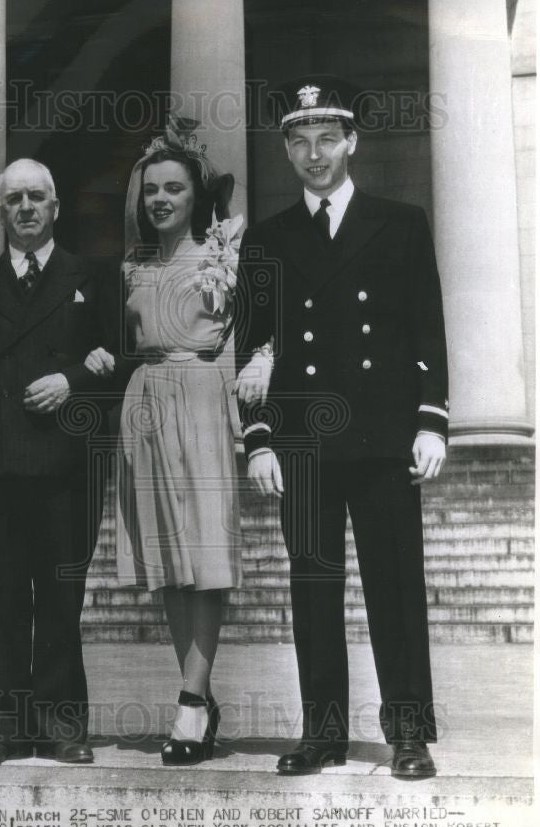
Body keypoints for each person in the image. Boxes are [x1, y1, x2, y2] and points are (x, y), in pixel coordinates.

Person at [235, 76, 448, 779]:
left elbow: (427, 329)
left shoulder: (400, 221)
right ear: (287, 150)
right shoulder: (267, 238)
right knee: (312, 585)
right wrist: (258, 436)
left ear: (351, 142)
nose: (314, 154)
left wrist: (431, 422)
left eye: (328, 138)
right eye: (299, 141)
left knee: (394, 584)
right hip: (302, 440)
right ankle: (321, 733)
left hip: (383, 434)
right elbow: (253, 346)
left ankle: (408, 732)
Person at [0, 158, 116, 767]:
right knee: (2, 598)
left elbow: (117, 364)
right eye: (14, 199)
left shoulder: (91, 278)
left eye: (37, 197)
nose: (25, 208)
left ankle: (64, 726)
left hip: (65, 464)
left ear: (56, 207)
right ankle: (5, 727)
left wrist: (70, 380)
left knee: (61, 598)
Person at [85, 121, 241, 766]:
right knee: (170, 561)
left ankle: (192, 700)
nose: (160, 199)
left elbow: (260, 328)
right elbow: (108, 339)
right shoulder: (130, 265)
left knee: (204, 553)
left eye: (174, 188)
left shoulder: (226, 251)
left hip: (202, 396)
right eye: (152, 190)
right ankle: (194, 697)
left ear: (195, 194)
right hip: (146, 401)